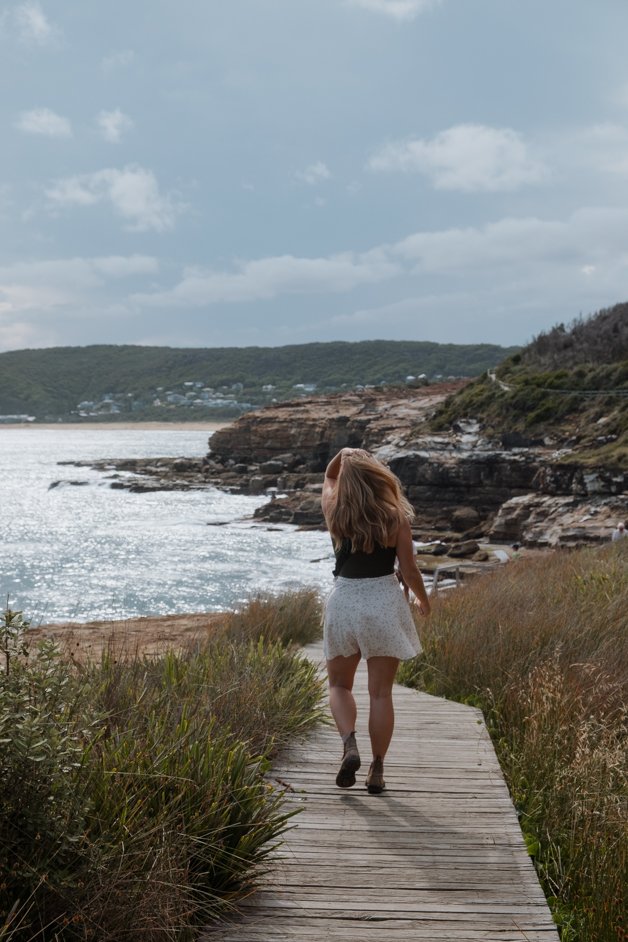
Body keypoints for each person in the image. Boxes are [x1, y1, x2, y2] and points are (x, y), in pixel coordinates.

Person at [321, 447, 431, 795]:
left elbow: (329, 477)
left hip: (344, 602)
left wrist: (343, 454)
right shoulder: (395, 517)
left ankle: (349, 743)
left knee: (339, 686)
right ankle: (377, 769)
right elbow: (409, 570)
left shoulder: (334, 511)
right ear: (377, 477)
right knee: (381, 693)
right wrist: (423, 601)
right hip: (383, 602)